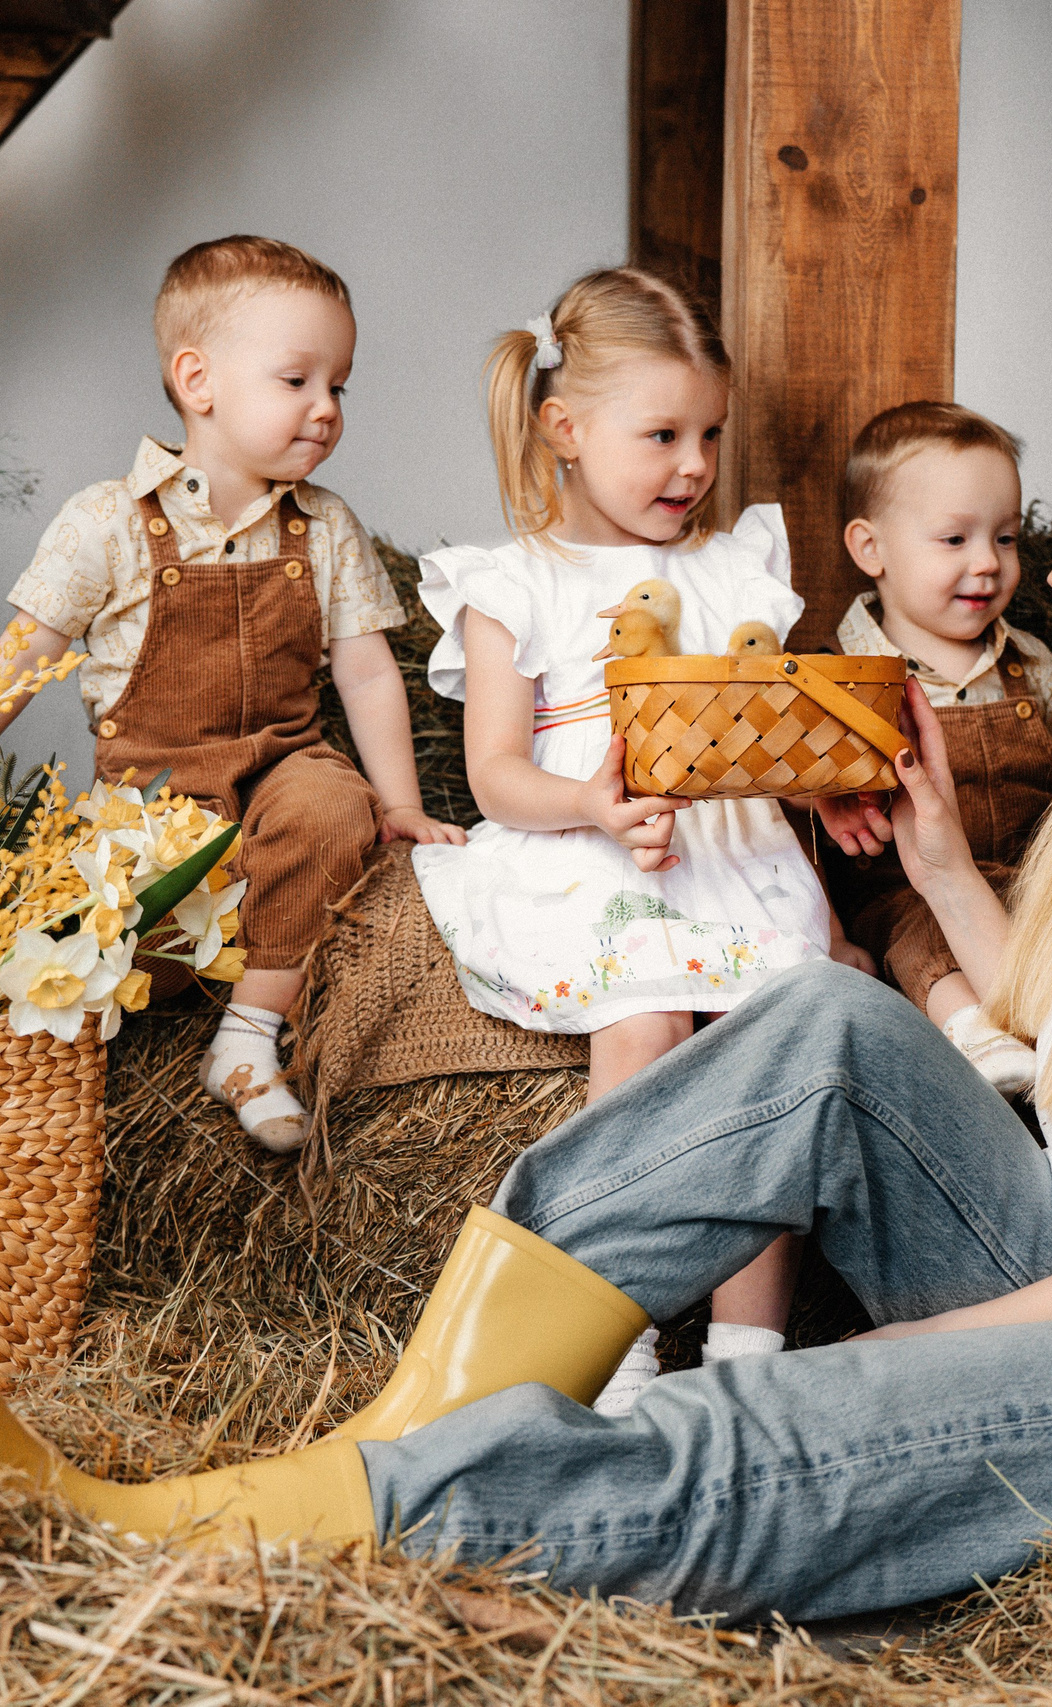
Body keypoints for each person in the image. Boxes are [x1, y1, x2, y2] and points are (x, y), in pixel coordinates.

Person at [0, 387, 1052, 1624]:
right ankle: (424, 1415)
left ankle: (200, 1536)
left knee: (805, 1411)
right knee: (819, 1027)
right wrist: (942, 861)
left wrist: (959, 1338)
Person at [403, 267, 859, 1389]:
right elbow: (495, 775)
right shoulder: (516, 583)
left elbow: (766, 730)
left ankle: (749, 1350)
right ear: (564, 429)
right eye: (662, 436)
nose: (694, 464)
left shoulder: (730, 568)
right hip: (591, 852)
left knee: (768, 1041)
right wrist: (592, 805)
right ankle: (612, 1331)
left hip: (727, 850)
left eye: (709, 434)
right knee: (647, 1018)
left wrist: (817, 783)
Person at [0, 235, 463, 1155]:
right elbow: (29, 649)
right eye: (298, 381)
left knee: (336, 810)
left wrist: (399, 803)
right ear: (197, 381)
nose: (327, 408)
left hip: (284, 764)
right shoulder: (109, 520)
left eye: (340, 386)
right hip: (155, 794)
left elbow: (366, 672)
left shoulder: (325, 526)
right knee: (109, 924)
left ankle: (246, 1041)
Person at [825, 400, 1052, 1094]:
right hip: (904, 892)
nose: (988, 563)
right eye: (954, 539)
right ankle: (974, 1030)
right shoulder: (839, 677)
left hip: (1027, 880)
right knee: (917, 929)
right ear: (870, 548)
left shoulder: (1032, 663)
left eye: (1005, 538)